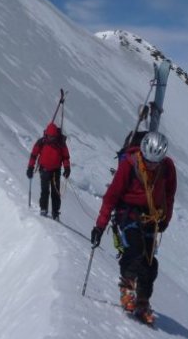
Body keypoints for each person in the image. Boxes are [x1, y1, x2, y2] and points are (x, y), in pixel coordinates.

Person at [90, 131, 176, 325]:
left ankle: (143, 301)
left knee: (150, 263)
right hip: (127, 212)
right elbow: (111, 197)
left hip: (151, 216)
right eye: (149, 161)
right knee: (135, 250)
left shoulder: (167, 168)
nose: (152, 165)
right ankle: (127, 289)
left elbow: (169, 195)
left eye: (156, 162)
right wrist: (100, 226)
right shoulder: (129, 165)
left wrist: (165, 219)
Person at [26, 122, 71, 220]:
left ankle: (55, 212)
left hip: (56, 171)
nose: (51, 139)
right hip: (44, 170)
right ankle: (43, 209)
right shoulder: (42, 141)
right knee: (45, 191)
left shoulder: (60, 143)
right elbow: (34, 154)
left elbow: (65, 157)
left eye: (53, 137)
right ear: (47, 134)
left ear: (56, 135)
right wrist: (30, 167)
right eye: (50, 136)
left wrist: (67, 168)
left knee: (55, 192)